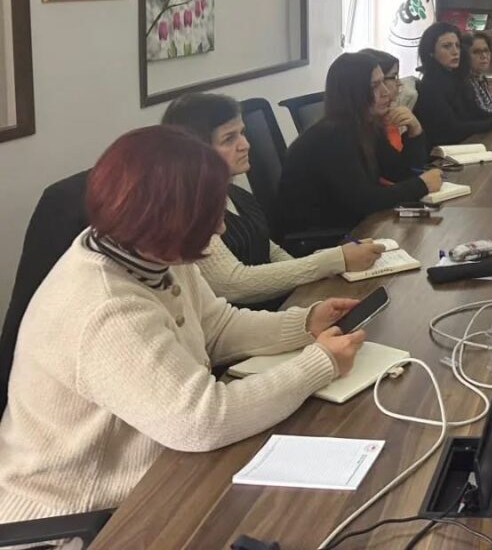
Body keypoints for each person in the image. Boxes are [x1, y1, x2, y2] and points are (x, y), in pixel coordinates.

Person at [0, 126, 366, 526]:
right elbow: (203, 421)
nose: (220, 228)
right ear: (162, 218)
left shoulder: (149, 251)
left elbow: (217, 326)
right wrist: (319, 364)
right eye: (208, 215)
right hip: (78, 514)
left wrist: (304, 324)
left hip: (159, 474)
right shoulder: (107, 307)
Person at [161, 93, 383, 307]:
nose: (245, 144)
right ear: (195, 149)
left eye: (242, 133)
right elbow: (233, 284)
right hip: (247, 320)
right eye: (229, 139)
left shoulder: (237, 194)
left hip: (282, 306)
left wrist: (316, 281)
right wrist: (332, 262)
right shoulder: (188, 210)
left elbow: (270, 250)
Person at [277, 52, 442, 237]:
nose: (385, 92)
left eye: (383, 82)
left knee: (435, 227)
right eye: (374, 86)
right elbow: (365, 200)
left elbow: (401, 173)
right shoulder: (332, 137)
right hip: (323, 238)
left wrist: (415, 131)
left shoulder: (366, 125)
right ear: (353, 93)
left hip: (354, 225)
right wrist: (421, 185)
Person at [413, 22, 492, 145]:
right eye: (447, 46)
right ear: (431, 52)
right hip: (443, 152)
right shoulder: (431, 85)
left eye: (457, 45)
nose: (455, 52)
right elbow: (453, 130)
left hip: (463, 145)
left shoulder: (456, 78)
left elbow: (474, 114)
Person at [360, 48, 417, 152]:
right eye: (394, 77)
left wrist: (415, 129)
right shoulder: (367, 127)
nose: (399, 83)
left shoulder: (388, 116)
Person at [461, 31, 492, 114]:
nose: (484, 56)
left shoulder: (481, 79)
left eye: (486, 50)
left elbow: (489, 109)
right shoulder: (464, 83)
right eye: (476, 52)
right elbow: (481, 116)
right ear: (464, 55)